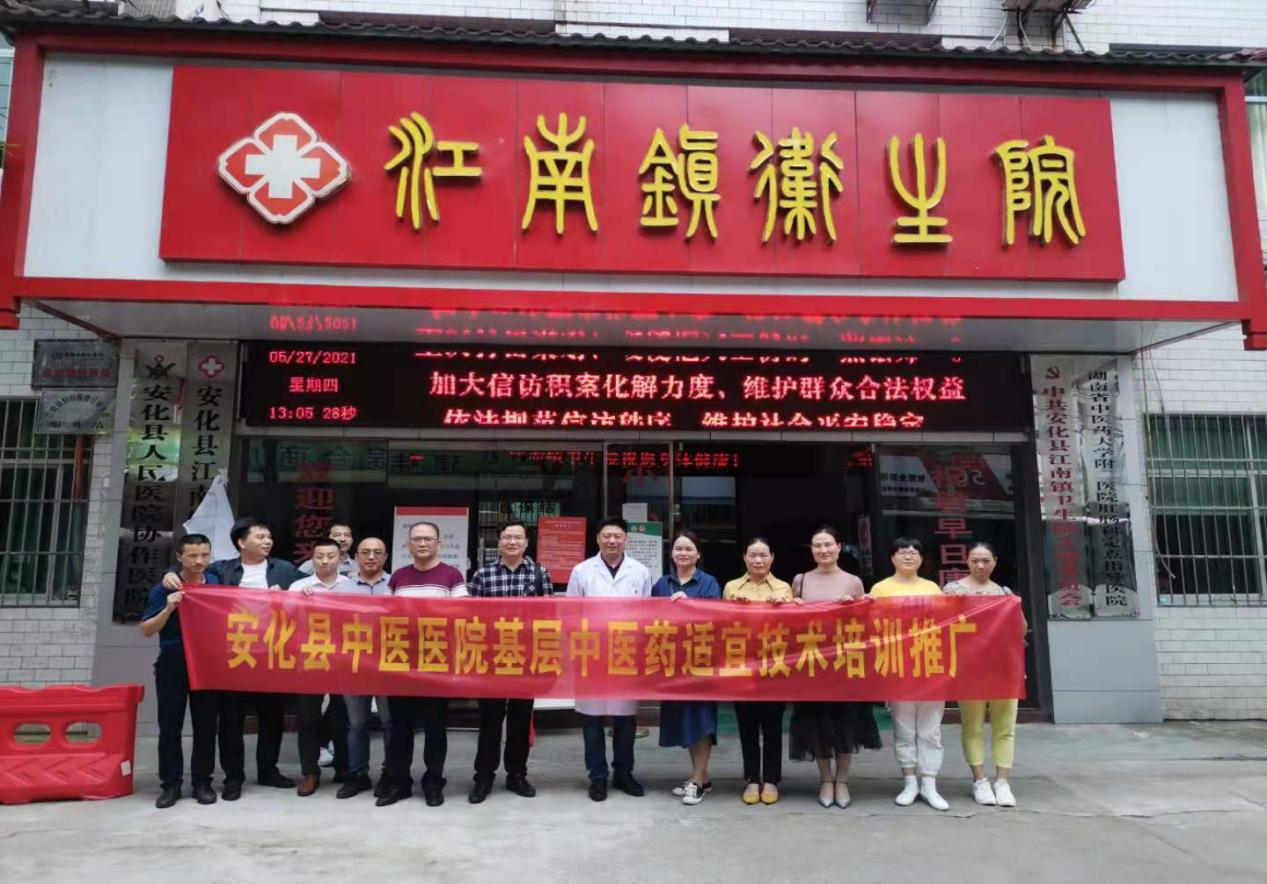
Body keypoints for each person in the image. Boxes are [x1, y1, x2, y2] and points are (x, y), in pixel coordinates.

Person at [161, 517, 303, 800]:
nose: (267, 541)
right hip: (233, 656)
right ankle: (233, 777)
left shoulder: (285, 570)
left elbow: (312, 589)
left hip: (271, 655)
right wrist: (170, 572)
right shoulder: (221, 570)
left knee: (271, 717)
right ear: (241, 542)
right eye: (260, 536)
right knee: (230, 720)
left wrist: (292, 594)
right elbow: (193, 570)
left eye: (269, 537)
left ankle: (268, 770)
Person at [788, 526, 881, 810]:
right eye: (817, 545)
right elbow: (789, 625)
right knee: (816, 723)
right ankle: (825, 779)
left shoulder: (853, 581)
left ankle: (842, 780)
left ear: (839, 547)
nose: (823, 550)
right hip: (812, 663)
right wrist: (793, 607)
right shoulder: (801, 580)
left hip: (843, 664)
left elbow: (865, 625)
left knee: (844, 723)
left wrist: (853, 608)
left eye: (828, 544)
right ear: (811, 550)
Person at [377, 521, 468, 808]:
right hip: (401, 663)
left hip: (436, 663)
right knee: (400, 728)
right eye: (417, 539)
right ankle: (400, 783)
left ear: (439, 543)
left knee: (434, 728)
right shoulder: (398, 578)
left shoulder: (452, 576)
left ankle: (433, 782)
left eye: (428, 539)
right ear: (408, 545)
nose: (423, 543)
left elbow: (462, 615)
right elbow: (385, 616)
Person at [465, 520, 553, 804]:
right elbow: (469, 618)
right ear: (499, 541)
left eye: (517, 537)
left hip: (525, 660)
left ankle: (517, 774)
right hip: (491, 660)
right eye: (507, 537)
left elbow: (549, 618)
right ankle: (484, 777)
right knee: (489, 721)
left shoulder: (540, 573)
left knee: (520, 721)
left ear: (526, 543)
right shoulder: (483, 574)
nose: (512, 542)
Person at [566, 517, 653, 802]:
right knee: (591, 720)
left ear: (626, 539)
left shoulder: (640, 571)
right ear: (598, 539)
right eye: (606, 536)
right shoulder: (581, 571)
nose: (612, 541)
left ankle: (623, 773)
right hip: (591, 652)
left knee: (625, 719)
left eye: (617, 536)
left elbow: (647, 616)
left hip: (626, 653)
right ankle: (597, 776)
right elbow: (571, 614)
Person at [140, 534, 222, 809]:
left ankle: (202, 782)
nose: (199, 561)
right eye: (192, 556)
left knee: (206, 726)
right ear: (179, 557)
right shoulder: (164, 589)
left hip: (208, 663)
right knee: (170, 726)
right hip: (173, 662)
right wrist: (168, 608)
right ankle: (171, 784)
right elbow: (146, 629)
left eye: (204, 555)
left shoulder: (217, 583)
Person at [943, 541, 1025, 808]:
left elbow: (1020, 630)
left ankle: (1002, 782)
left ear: (995, 562)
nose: (980, 565)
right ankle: (980, 780)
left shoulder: (1004, 592)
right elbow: (942, 626)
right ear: (967, 561)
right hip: (970, 668)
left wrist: (1015, 608)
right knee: (972, 726)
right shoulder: (953, 590)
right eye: (975, 560)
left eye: (986, 560)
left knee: (1005, 728)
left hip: (1003, 668)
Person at [870, 537, 949, 811]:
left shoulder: (932, 588)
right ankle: (910, 781)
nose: (909, 556)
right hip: (898, 666)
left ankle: (930, 783)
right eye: (903, 551)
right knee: (904, 728)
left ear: (921, 559)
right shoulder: (880, 589)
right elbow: (872, 625)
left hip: (930, 664)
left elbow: (945, 624)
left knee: (931, 730)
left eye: (915, 552)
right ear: (892, 558)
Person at [723, 537, 799, 806]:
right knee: (747, 726)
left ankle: (771, 780)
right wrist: (735, 608)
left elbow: (793, 627)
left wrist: (783, 606)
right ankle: (752, 779)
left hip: (774, 666)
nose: (758, 560)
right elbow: (721, 625)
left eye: (763, 555)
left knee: (772, 726)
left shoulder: (783, 588)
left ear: (772, 558)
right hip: (742, 665)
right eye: (753, 555)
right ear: (744, 557)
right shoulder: (732, 587)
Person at [651, 529, 721, 806]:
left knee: (702, 721)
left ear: (698, 554)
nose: (683, 553)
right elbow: (650, 620)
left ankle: (697, 781)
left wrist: (689, 605)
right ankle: (701, 777)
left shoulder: (709, 582)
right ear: (671, 553)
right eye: (678, 548)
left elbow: (717, 619)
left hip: (701, 663)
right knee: (686, 722)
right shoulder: (661, 584)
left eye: (689, 548)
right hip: (673, 664)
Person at [289, 538, 361, 797]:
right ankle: (310, 772)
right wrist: (298, 602)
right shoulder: (299, 586)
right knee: (307, 717)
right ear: (312, 558)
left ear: (340, 558)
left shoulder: (352, 586)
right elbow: (284, 620)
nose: (325, 561)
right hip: (310, 659)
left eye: (331, 556)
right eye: (319, 556)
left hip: (344, 659)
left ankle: (343, 767)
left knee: (342, 716)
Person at [340, 536, 394, 800]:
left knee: (390, 722)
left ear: (385, 557)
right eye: (365, 552)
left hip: (389, 665)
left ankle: (389, 773)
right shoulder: (342, 588)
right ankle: (357, 774)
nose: (371, 557)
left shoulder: (395, 586)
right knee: (356, 724)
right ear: (356, 557)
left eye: (377, 552)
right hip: (354, 665)